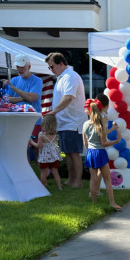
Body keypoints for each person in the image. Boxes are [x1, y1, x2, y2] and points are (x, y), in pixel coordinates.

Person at [44, 53, 86, 188]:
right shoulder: (62, 77)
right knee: (68, 153)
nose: (51, 69)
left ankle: (77, 181)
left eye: (52, 66)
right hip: (64, 122)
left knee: (74, 153)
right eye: (49, 67)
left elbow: (68, 97)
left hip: (72, 122)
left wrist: (54, 111)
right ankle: (70, 179)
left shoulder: (70, 76)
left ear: (61, 63)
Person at [82, 98, 123, 211]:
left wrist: (111, 129)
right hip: (100, 153)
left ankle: (94, 203)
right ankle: (112, 203)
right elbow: (103, 142)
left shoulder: (85, 124)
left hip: (90, 152)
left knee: (93, 179)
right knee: (107, 180)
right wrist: (116, 141)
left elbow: (85, 142)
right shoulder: (100, 125)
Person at [28, 113, 63, 191]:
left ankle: (43, 187)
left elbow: (39, 146)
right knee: (55, 172)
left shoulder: (41, 135)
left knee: (44, 172)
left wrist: (31, 142)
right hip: (54, 156)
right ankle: (59, 186)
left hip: (45, 157)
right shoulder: (55, 134)